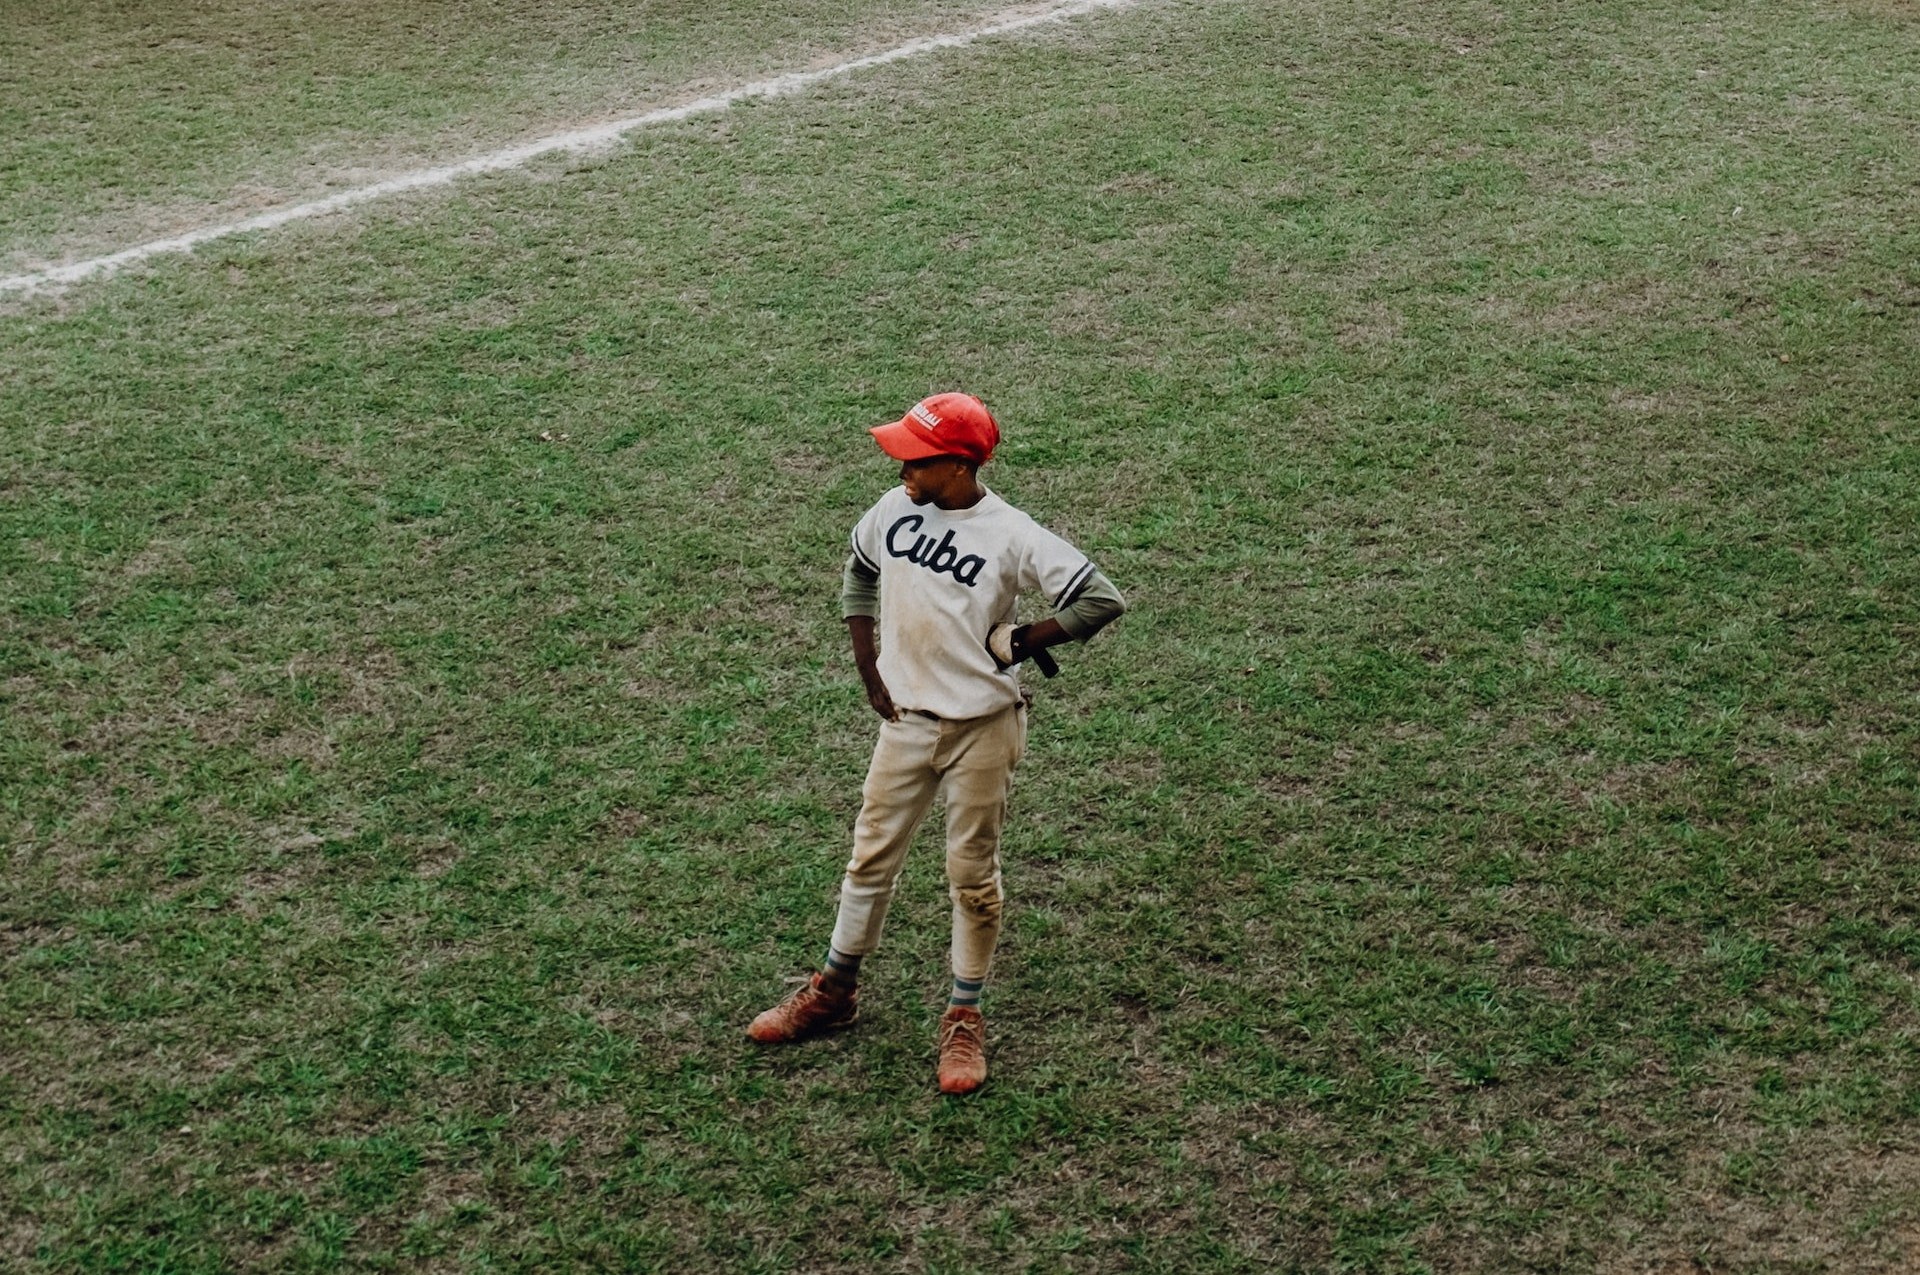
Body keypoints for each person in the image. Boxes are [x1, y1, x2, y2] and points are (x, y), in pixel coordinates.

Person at [747, 392, 1126, 1094]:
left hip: (982, 727)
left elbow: (1100, 598)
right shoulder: (893, 511)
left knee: (971, 875)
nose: (900, 470)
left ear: (957, 465)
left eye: (914, 460)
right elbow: (859, 569)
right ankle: (835, 990)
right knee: (869, 859)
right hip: (905, 723)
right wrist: (868, 662)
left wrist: (1025, 638)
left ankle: (964, 1015)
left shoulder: (1011, 533)